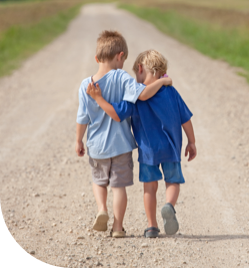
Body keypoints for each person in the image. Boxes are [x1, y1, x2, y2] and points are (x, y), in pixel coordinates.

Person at [86, 49, 197, 238]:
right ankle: (169, 205)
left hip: (148, 152)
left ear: (139, 68)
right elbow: (185, 119)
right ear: (162, 73)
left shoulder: (135, 97)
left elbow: (117, 113)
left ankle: (152, 226)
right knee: (173, 181)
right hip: (171, 148)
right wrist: (191, 142)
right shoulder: (171, 92)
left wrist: (99, 98)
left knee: (149, 187)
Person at [75, 32, 172, 238]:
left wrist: (78, 140)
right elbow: (143, 94)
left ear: (96, 58)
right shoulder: (121, 77)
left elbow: (82, 117)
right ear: (120, 56)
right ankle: (118, 227)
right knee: (119, 187)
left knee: (99, 181)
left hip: (97, 145)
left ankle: (102, 209)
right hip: (121, 145)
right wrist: (163, 82)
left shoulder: (86, 85)